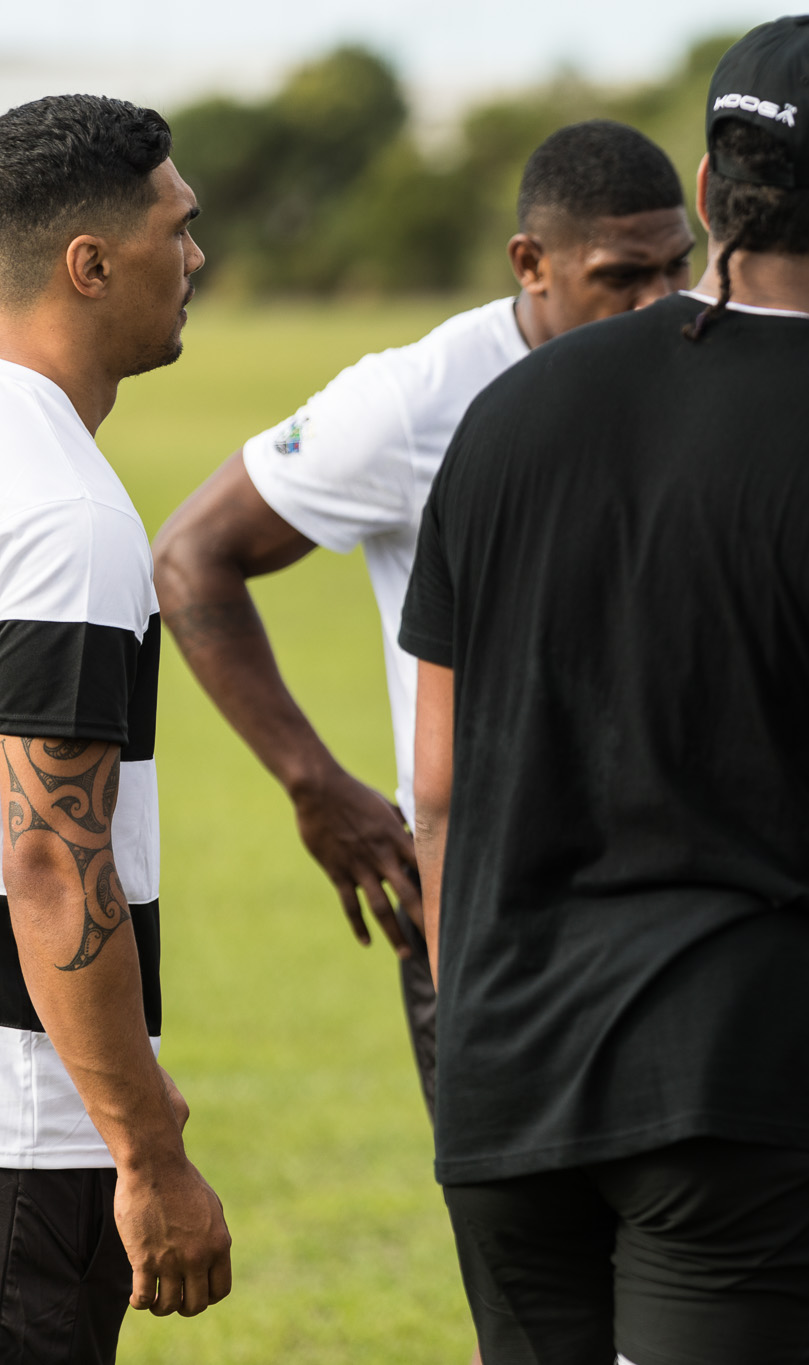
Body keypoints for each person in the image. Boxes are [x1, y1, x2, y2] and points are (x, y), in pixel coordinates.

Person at [399, 18, 809, 1365]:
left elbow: (442, 789)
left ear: (709, 192)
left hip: (508, 1092)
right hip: (759, 1104)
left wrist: (487, 1041)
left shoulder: (508, 417)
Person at [151, 120, 693, 1124]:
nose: (660, 303)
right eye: (623, 276)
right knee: (519, 1220)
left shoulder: (709, 362)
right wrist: (313, 782)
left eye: (677, 268)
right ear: (530, 264)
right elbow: (191, 554)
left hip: (695, 889)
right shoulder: (417, 400)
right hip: (493, 905)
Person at [0, 94, 233, 1360]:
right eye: (176, 229)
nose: (195, 257)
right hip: (22, 1143)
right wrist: (146, 1151)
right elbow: (49, 854)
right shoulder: (62, 515)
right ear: (89, 266)